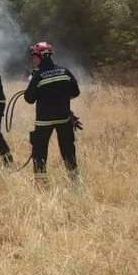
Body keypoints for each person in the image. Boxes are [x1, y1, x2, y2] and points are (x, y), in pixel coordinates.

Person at [22, 41, 82, 181]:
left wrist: (33, 84)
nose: (34, 59)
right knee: (68, 151)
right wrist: (61, 100)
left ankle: (41, 182)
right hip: (64, 119)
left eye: (35, 57)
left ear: (41, 57)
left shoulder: (39, 75)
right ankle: (75, 181)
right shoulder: (64, 71)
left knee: (39, 151)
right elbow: (75, 92)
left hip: (44, 121)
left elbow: (29, 99)